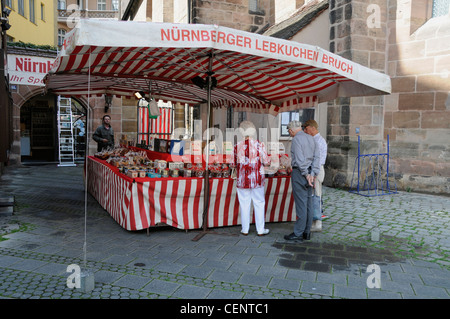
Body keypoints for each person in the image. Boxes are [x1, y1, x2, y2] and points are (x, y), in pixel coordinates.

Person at [284, 120, 320, 242]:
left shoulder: (296, 140)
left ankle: (298, 232)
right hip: (310, 173)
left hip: (300, 173)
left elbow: (299, 160)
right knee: (309, 203)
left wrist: (305, 174)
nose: (290, 133)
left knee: (301, 204)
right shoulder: (311, 138)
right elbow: (317, 157)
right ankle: (307, 232)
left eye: (289, 131)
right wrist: (312, 174)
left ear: (291, 130)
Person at [234, 120, 271, 236]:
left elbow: (232, 164)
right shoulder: (260, 145)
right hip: (257, 180)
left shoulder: (237, 146)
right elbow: (267, 162)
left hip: (242, 180)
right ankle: (260, 230)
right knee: (259, 203)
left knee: (244, 204)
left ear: (241, 132)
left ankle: (245, 229)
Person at [303, 119, 327, 232]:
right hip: (314, 170)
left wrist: (314, 174)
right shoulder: (314, 140)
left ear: (313, 128)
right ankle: (313, 221)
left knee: (316, 197)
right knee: (313, 197)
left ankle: (317, 223)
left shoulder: (319, 141)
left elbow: (319, 160)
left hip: (316, 171)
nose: (305, 131)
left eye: (307, 129)